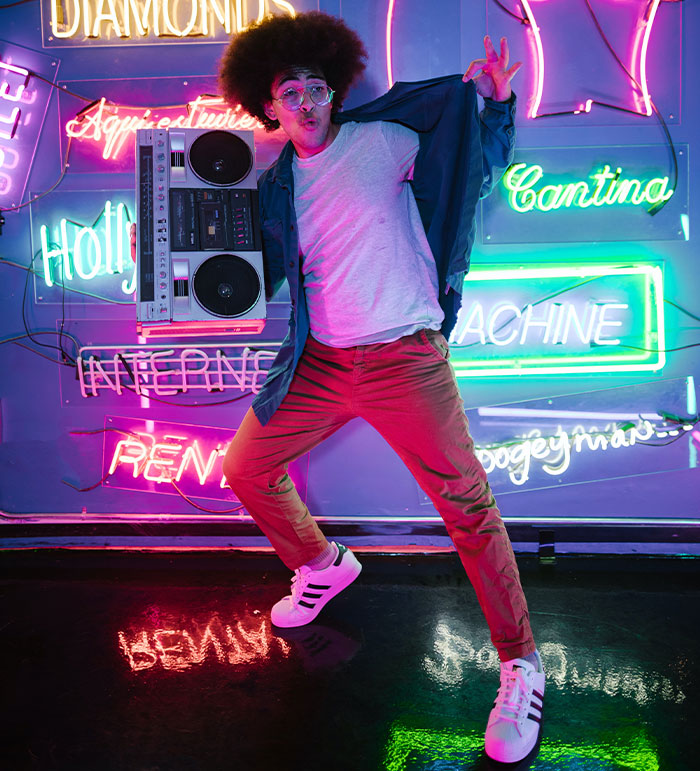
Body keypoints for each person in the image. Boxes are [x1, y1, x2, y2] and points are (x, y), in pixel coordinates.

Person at [219, 11, 544, 764]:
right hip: (324, 364)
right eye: (288, 90)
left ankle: (521, 663)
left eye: (317, 87)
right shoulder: (273, 188)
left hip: (405, 357)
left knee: (467, 505)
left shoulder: (384, 141)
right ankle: (323, 564)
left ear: (334, 94)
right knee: (245, 467)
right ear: (269, 107)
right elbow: (251, 272)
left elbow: (472, 167)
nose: (305, 100)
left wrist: (493, 107)